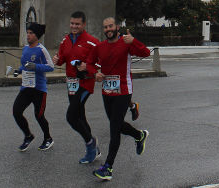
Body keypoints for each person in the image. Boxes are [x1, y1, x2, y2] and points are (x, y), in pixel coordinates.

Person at [87, 17, 150, 181]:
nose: (108, 29)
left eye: (110, 26)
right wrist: (95, 73)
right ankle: (139, 135)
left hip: (123, 90)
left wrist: (134, 41)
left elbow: (146, 53)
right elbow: (89, 63)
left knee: (114, 128)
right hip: (107, 92)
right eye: (105, 27)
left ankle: (108, 167)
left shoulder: (126, 42)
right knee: (117, 124)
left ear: (117, 27)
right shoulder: (100, 47)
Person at [52, 11, 100, 163]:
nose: (74, 26)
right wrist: (57, 60)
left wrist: (88, 66)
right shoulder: (65, 40)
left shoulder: (92, 42)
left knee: (71, 117)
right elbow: (62, 59)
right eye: (72, 23)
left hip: (84, 83)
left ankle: (91, 144)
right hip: (71, 83)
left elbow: (101, 61)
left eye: (77, 24)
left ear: (84, 25)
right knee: (79, 116)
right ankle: (93, 148)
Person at [12, 22, 54, 151]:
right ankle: (28, 136)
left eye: (31, 33)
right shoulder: (25, 48)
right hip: (26, 88)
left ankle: (48, 138)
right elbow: (25, 65)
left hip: (39, 89)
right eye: (28, 33)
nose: (28, 35)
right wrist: (17, 71)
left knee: (39, 115)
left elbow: (51, 67)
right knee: (16, 111)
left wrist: (36, 67)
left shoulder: (41, 49)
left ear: (37, 36)